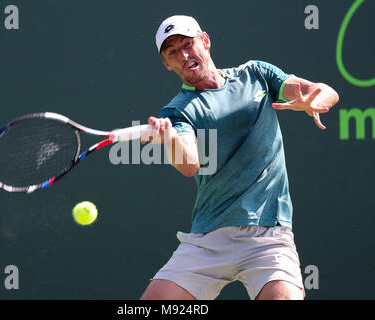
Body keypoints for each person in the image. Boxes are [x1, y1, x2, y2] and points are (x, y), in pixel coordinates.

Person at [139, 15, 339, 300]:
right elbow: (189, 163)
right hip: (208, 241)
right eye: (172, 52)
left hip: (268, 237)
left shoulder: (256, 73)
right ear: (166, 63)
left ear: (205, 41)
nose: (184, 55)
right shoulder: (176, 112)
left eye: (188, 43)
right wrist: (170, 137)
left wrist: (314, 100)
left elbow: (324, 92)